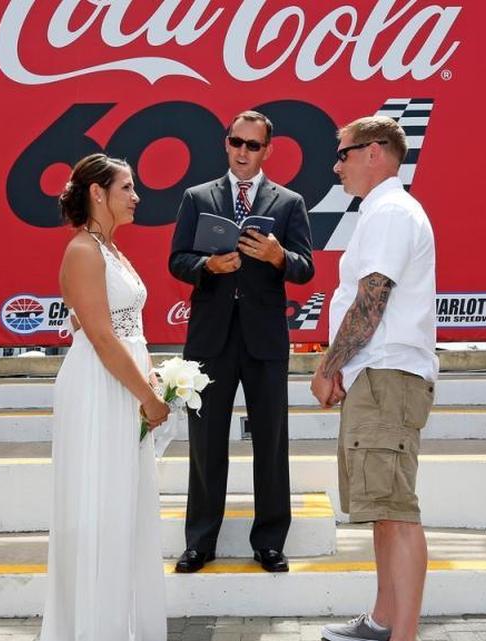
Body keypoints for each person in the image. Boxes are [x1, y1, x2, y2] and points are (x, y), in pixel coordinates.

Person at [168, 110, 314, 573]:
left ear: (267, 150)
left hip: (264, 338)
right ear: (226, 144)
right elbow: (177, 260)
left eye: (253, 145)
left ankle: (270, 540)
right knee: (205, 440)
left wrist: (277, 256)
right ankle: (200, 542)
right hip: (211, 338)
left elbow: (305, 267)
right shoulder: (197, 196)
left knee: (271, 440)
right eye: (237, 143)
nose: (244, 152)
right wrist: (206, 267)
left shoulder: (289, 201)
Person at [312, 116, 437, 641]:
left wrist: (326, 366)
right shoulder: (383, 211)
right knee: (384, 509)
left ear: (377, 152)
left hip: (387, 374)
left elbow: (371, 301)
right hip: (381, 375)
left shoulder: (389, 211)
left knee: (396, 510)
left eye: (344, 153)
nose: (337, 164)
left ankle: (400, 633)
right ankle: (384, 621)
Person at [40, 154, 171, 641]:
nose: (136, 197)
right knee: (99, 506)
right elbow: (99, 335)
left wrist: (154, 380)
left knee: (125, 508)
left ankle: (122, 625)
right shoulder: (83, 250)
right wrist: (148, 396)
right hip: (100, 388)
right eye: (127, 187)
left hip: (125, 387)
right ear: (98, 193)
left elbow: (126, 328)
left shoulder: (110, 250)